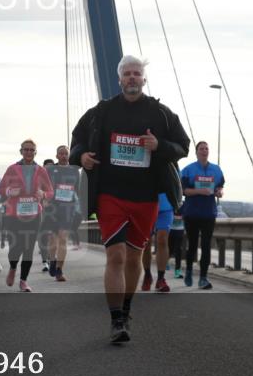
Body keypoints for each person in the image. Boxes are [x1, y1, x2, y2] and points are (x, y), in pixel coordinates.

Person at [70, 55, 189, 343]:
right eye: (128, 74)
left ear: (143, 79)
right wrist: (81, 156)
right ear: (120, 79)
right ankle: (116, 320)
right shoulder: (102, 112)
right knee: (116, 255)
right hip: (111, 194)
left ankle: (126, 308)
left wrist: (159, 145)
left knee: (136, 257)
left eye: (137, 73)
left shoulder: (160, 114)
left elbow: (183, 146)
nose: (133, 78)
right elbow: (77, 141)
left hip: (146, 196)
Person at [0, 140, 54, 292]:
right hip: (14, 215)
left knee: (28, 248)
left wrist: (44, 194)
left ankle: (23, 281)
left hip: (34, 214)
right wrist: (10, 192)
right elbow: (1, 188)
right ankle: (13, 267)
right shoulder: (12, 169)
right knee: (15, 247)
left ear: (35, 152)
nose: (29, 152)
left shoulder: (41, 170)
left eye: (31, 150)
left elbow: (50, 192)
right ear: (21, 151)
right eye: (26, 149)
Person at [181, 141, 226, 290]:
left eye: (207, 148)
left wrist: (219, 192)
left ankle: (203, 277)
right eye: (201, 148)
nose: (204, 151)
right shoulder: (188, 170)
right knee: (192, 245)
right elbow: (184, 191)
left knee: (206, 246)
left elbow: (220, 187)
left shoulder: (216, 169)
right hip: (192, 212)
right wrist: (199, 192)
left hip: (208, 213)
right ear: (196, 152)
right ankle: (188, 270)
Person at [45, 145, 83, 282]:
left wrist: (78, 209)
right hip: (53, 209)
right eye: (60, 153)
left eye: (65, 154)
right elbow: (43, 186)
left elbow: (77, 191)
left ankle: (60, 270)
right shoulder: (49, 170)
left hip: (68, 209)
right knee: (52, 241)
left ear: (68, 156)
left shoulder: (75, 171)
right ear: (56, 156)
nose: (63, 156)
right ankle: (52, 260)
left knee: (63, 239)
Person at [142, 191, 175, 292]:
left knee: (162, 240)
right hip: (145, 205)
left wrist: (176, 201)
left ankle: (161, 278)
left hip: (166, 207)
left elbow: (176, 182)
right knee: (146, 243)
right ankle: (147, 275)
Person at [169, 207, 186, 279]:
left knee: (178, 250)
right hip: (170, 229)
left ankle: (177, 271)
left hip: (179, 230)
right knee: (170, 249)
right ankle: (163, 266)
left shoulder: (184, 204)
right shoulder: (170, 201)